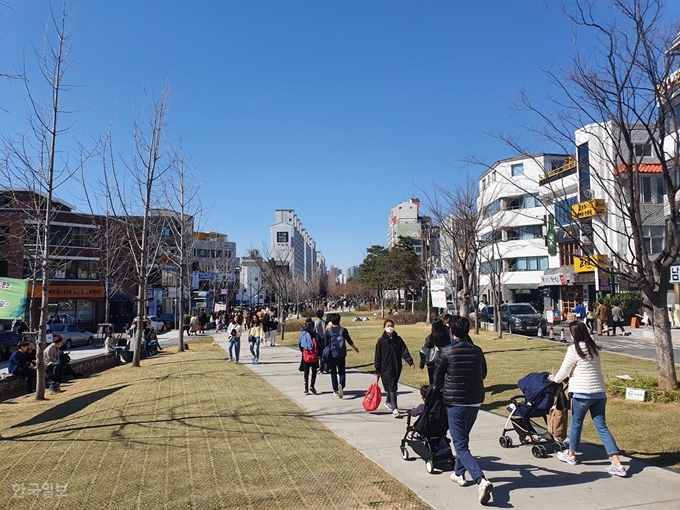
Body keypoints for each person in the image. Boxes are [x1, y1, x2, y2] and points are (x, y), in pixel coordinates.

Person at [549, 321, 626, 477]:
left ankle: (571, 455)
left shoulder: (573, 349)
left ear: (574, 334)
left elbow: (563, 371)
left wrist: (554, 378)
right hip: (599, 393)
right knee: (602, 427)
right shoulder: (594, 349)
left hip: (582, 394)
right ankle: (617, 463)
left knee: (576, 423)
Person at [433, 315, 493, 505]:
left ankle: (480, 480)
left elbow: (437, 378)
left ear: (452, 332)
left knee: (460, 445)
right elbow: (483, 373)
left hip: (456, 403)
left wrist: (441, 390)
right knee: (463, 439)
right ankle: (459, 473)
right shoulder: (477, 351)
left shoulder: (446, 352)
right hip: (475, 401)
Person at [374, 319, 415, 417]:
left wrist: (410, 362)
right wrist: (377, 369)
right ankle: (395, 408)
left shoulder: (398, 340)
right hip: (385, 369)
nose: (390, 327)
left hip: (397, 367)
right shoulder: (381, 341)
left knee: (392, 385)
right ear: (384, 327)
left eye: (391, 325)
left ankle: (388, 401)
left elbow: (404, 351)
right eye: (388, 325)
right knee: (392, 387)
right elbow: (377, 356)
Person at [324, 313, 359, 398]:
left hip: (332, 354)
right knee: (342, 371)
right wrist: (355, 348)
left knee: (333, 372)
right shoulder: (343, 330)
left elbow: (326, 344)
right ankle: (341, 385)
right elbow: (349, 341)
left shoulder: (328, 331)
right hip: (341, 354)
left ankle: (335, 389)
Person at [420, 318, 453, 384]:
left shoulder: (431, 337)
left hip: (433, 363)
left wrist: (422, 365)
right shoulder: (446, 337)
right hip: (445, 362)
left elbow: (425, 351)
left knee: (433, 382)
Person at [297, 318, 319, 395]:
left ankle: (306, 388)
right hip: (314, 357)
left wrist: (302, 351)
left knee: (306, 372)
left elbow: (299, 343)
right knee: (314, 372)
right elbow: (320, 345)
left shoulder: (303, 334)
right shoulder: (316, 335)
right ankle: (312, 385)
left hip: (306, 356)